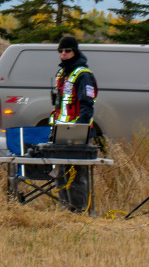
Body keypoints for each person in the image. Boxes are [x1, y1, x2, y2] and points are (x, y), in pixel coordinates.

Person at [49, 35, 98, 212]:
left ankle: (80, 211)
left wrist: (80, 129)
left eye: (67, 50)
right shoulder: (61, 73)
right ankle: (65, 210)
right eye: (60, 51)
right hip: (60, 131)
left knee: (76, 174)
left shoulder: (83, 75)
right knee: (61, 173)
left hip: (77, 132)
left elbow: (87, 105)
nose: (63, 54)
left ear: (75, 51)